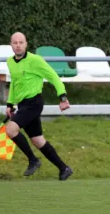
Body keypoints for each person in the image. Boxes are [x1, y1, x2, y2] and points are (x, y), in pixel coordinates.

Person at [5, 32, 73, 180]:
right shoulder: (10, 62)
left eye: (21, 42)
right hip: (23, 105)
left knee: (10, 129)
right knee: (37, 140)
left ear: (26, 44)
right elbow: (14, 84)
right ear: (11, 45)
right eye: (15, 42)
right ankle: (64, 168)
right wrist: (10, 104)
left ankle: (33, 160)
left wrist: (62, 97)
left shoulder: (35, 60)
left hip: (34, 103)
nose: (18, 45)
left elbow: (53, 77)